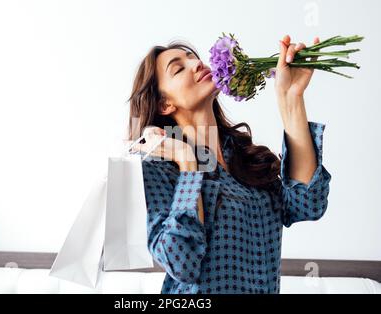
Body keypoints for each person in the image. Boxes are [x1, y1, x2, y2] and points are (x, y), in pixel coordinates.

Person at [127, 35, 332, 294]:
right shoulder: (156, 166)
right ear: (164, 104)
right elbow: (182, 262)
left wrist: (291, 96)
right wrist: (188, 162)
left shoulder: (243, 158)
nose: (196, 64)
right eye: (179, 68)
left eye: (193, 57)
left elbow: (308, 204)